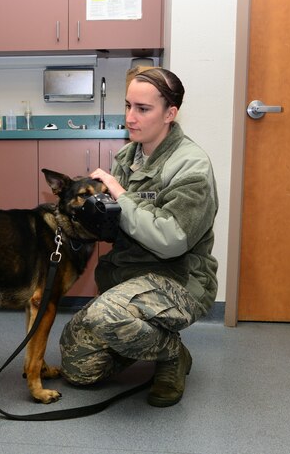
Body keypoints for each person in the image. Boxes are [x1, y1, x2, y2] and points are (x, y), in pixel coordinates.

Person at [59, 67, 218, 407]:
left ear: (170, 114)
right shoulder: (127, 157)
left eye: (142, 109)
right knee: (76, 366)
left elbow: (171, 239)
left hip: (179, 279)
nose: (130, 117)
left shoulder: (191, 166)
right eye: (128, 106)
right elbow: (120, 226)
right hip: (129, 275)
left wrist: (118, 193)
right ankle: (139, 339)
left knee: (106, 317)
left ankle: (172, 355)